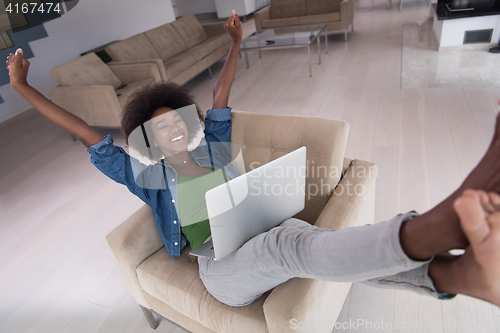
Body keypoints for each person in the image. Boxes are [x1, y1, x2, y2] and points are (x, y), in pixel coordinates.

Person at [7, 11, 500, 309]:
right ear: (148, 139)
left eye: (177, 118)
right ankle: (440, 224)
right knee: (289, 244)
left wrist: (236, 43)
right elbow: (86, 133)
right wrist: (25, 88)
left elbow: (221, 92)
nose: (173, 129)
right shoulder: (145, 175)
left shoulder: (211, 146)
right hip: (221, 272)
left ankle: (454, 276)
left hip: (262, 235)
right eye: (160, 128)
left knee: (307, 240)